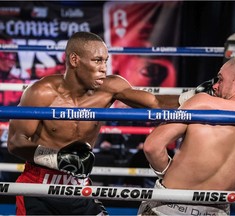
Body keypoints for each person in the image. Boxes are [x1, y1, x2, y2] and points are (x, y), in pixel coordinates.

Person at [7, 31, 180, 215]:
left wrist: (198, 95)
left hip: (79, 188)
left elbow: (156, 103)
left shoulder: (110, 88)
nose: (104, 68)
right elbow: (16, 142)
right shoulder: (41, 92)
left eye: (105, 60)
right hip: (38, 188)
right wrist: (57, 158)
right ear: (75, 60)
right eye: (97, 60)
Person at [138, 55, 235, 215]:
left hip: (168, 207)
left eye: (221, 79)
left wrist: (169, 175)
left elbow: (152, 146)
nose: (215, 86)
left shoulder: (203, 103)